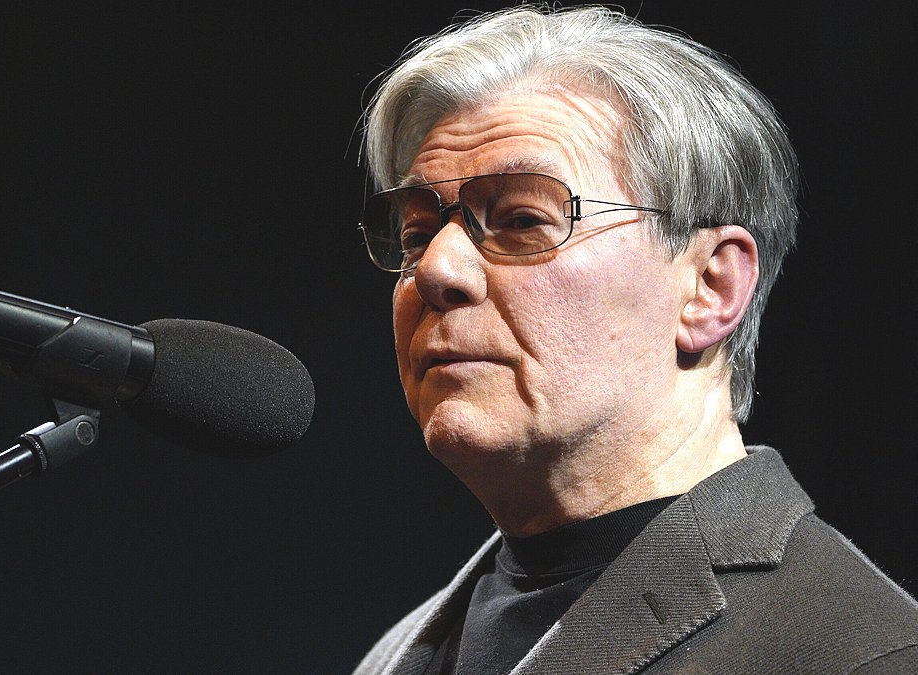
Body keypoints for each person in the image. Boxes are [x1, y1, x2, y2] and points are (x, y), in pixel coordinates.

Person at [352, 5, 918, 674]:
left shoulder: (865, 655)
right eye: (417, 235)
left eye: (522, 220)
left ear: (709, 287)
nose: (436, 270)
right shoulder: (394, 654)